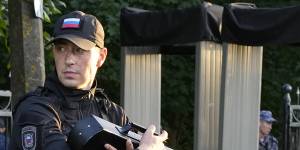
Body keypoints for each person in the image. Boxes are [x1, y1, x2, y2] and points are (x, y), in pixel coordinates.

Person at [10, 11, 168, 150]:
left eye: (79, 50)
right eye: (61, 48)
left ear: (101, 57)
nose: (69, 60)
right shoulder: (34, 110)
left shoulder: (112, 114)